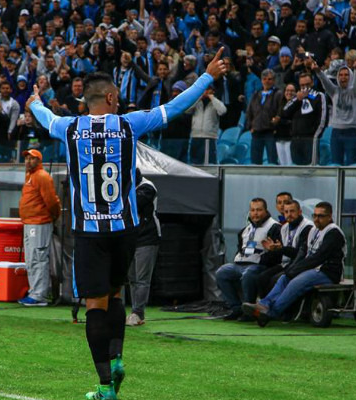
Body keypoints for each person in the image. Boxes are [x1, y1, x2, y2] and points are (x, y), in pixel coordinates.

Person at [26, 48, 227, 400]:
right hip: (124, 228)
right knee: (116, 293)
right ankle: (117, 359)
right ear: (110, 97)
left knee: (94, 306)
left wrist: (35, 102)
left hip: (90, 231)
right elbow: (175, 107)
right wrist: (207, 76)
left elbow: (44, 118)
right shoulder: (129, 124)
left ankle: (105, 385)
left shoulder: (70, 128)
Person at [242, 201, 346, 327]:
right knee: (285, 277)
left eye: (321, 216)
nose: (317, 219)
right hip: (313, 268)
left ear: (330, 217)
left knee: (296, 282)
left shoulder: (333, 232)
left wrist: (297, 269)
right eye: (315, 215)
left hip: (327, 271)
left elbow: (319, 257)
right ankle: (263, 305)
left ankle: (271, 313)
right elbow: (304, 253)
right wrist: (292, 268)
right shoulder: (314, 230)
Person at [216, 198, 282, 321]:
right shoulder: (245, 230)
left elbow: (277, 253)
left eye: (259, 210)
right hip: (240, 264)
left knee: (248, 274)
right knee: (222, 272)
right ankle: (236, 308)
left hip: (260, 265)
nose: (255, 213)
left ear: (266, 211)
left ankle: (250, 310)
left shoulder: (275, 227)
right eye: (252, 210)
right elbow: (240, 249)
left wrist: (263, 258)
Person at [18, 149, 61, 307]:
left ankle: (39, 295)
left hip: (39, 222)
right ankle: (35, 292)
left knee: (38, 258)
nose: (28, 161)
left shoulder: (42, 176)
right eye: (27, 158)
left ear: (39, 161)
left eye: (32, 158)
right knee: (31, 259)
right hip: (30, 223)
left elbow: (52, 201)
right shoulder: (30, 176)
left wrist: (53, 217)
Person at [256, 199, 314, 299]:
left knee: (275, 279)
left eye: (292, 211)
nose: (289, 214)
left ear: (299, 212)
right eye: (286, 212)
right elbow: (282, 250)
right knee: (262, 277)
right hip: (286, 264)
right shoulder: (284, 227)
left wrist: (281, 249)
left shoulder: (307, 227)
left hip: (300, 264)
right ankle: (264, 307)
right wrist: (273, 249)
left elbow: (301, 253)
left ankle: (275, 308)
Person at [126, 169, 160, 326]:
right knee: (132, 278)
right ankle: (136, 312)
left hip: (147, 237)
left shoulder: (148, 187)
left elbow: (134, 204)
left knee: (142, 279)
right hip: (130, 237)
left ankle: (137, 313)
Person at [315, 60, 356, 166]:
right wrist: (318, 71)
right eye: (341, 75)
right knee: (336, 163)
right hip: (336, 132)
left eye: (346, 75)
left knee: (352, 163)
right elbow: (325, 82)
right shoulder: (334, 91)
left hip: (351, 132)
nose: (343, 77)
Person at [281, 72, 331, 165]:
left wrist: (315, 136)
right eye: (302, 85)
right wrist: (297, 101)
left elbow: (323, 119)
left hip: (310, 139)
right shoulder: (296, 97)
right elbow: (284, 113)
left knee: (311, 168)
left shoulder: (319, 96)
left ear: (312, 83)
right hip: (295, 139)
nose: (304, 87)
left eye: (307, 84)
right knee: (297, 169)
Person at [245, 69, 283, 165]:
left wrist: (276, 126)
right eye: (265, 79)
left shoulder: (278, 94)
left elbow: (280, 111)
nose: (267, 81)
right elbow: (249, 111)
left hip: (270, 132)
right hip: (256, 131)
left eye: (270, 79)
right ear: (261, 80)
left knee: (272, 159)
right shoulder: (256, 94)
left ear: (274, 81)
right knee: (255, 160)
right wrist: (250, 126)